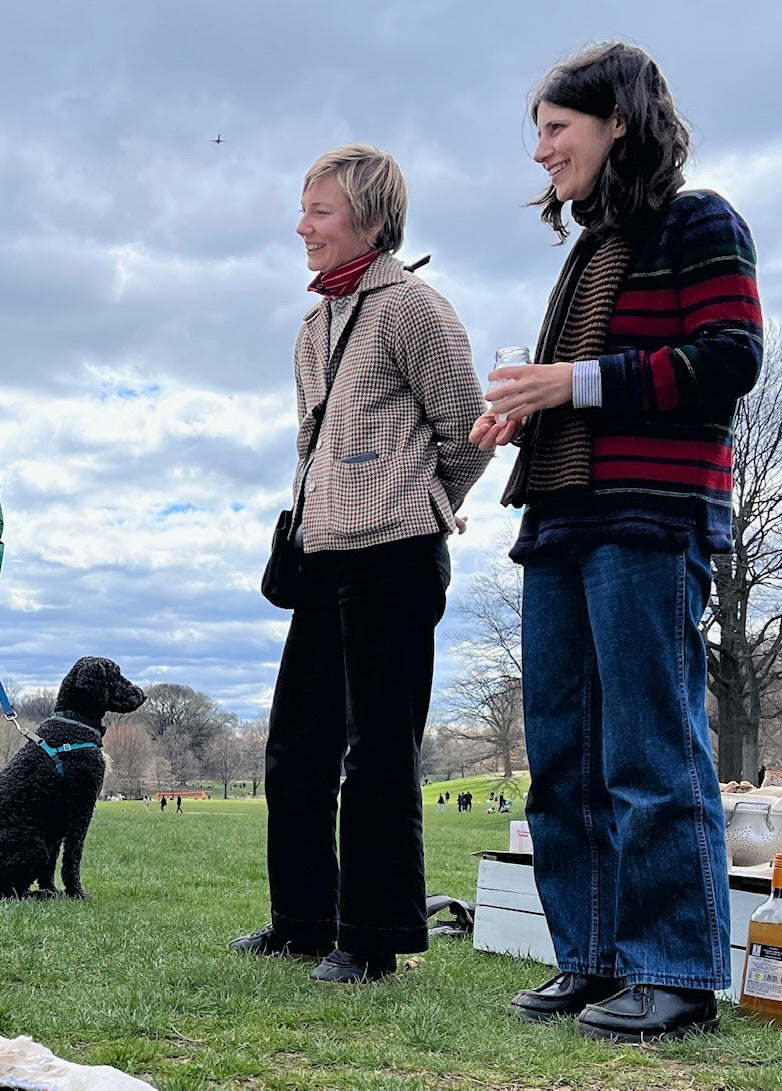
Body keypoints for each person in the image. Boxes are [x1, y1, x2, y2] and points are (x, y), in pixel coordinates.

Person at [470, 42, 762, 1042]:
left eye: (557, 129)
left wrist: (574, 384)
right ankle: (591, 958)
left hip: (648, 513)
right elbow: (586, 382)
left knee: (649, 748)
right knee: (561, 753)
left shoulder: (700, 220)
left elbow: (730, 357)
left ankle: (674, 970)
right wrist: (527, 410)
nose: (543, 151)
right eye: (540, 132)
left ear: (617, 124)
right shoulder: (587, 252)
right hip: (561, 512)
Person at [230, 144, 491, 985]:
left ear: (372, 221)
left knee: (377, 751)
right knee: (295, 746)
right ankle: (301, 921)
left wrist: (416, 503)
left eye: (320, 211)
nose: (301, 226)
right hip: (320, 559)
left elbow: (466, 429)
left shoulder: (414, 308)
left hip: (396, 557)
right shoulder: (314, 327)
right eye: (303, 209)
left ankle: (372, 938)